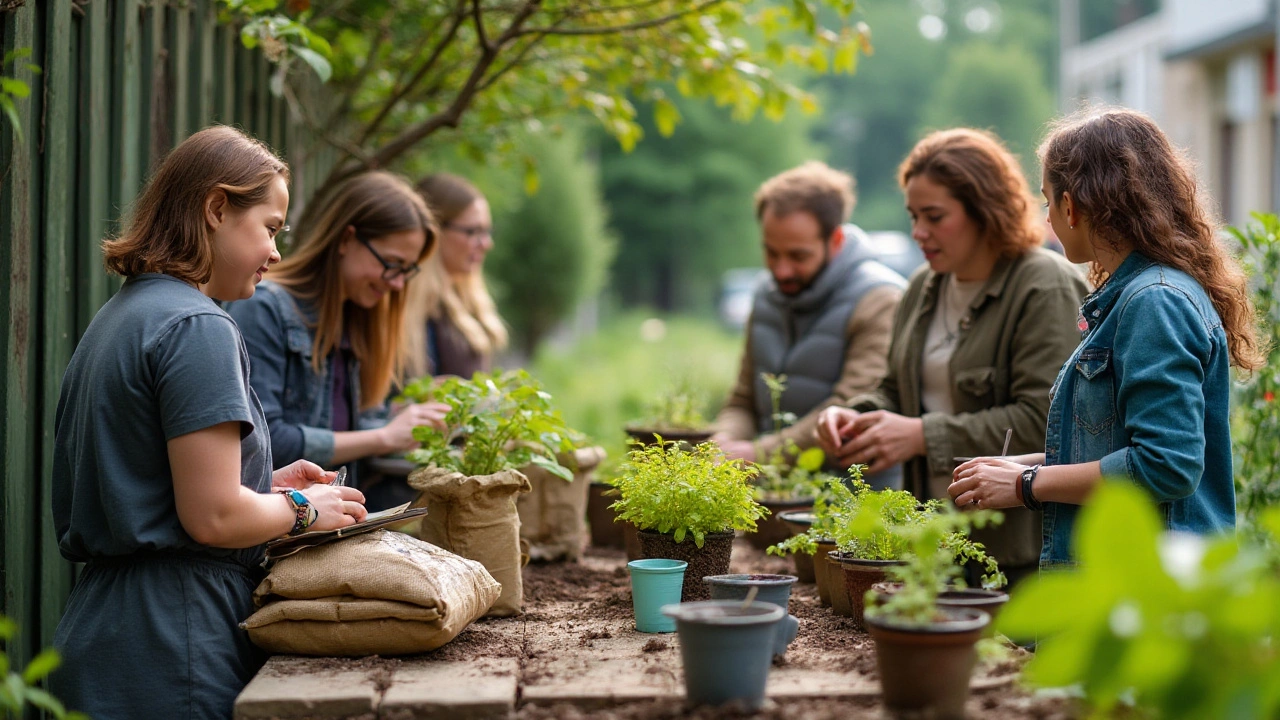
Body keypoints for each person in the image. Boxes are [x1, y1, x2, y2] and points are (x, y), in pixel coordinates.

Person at [51, 126, 368, 719]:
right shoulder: (199, 328)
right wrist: (305, 511)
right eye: (271, 228)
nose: (276, 252)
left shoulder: (124, 314)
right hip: (174, 643)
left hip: (104, 635)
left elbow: (158, 486)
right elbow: (215, 516)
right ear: (217, 208)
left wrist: (264, 486)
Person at [949, 109, 1264, 567]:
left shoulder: (1155, 301)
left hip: (1144, 593)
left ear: (1071, 206)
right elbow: (1115, 447)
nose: (1047, 219)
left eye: (1047, 202)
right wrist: (1022, 466)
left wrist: (1027, 485)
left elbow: (1165, 466)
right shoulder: (1142, 295)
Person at [817, 129, 1090, 586]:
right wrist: (855, 416)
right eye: (913, 216)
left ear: (985, 210)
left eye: (935, 216)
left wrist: (923, 436)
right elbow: (897, 388)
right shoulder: (924, 285)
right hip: (932, 539)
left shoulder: (1044, 284)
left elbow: (1049, 421)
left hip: (1015, 557)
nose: (918, 232)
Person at [228, 171, 449, 493]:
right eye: (391, 263)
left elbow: (340, 430)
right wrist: (383, 436)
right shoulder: (264, 309)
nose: (397, 283)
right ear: (346, 240)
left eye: (406, 270)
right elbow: (262, 441)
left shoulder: (355, 321)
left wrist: (405, 420)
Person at [710, 161, 906, 488]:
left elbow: (850, 409)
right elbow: (743, 400)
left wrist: (755, 455)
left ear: (836, 240)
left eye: (798, 256)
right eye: (771, 253)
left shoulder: (880, 300)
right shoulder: (764, 295)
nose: (782, 270)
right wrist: (722, 443)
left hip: (854, 502)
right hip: (774, 497)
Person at [404, 172, 508, 379]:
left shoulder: (466, 302)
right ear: (434, 231)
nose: (486, 244)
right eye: (472, 232)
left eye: (487, 232)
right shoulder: (401, 308)